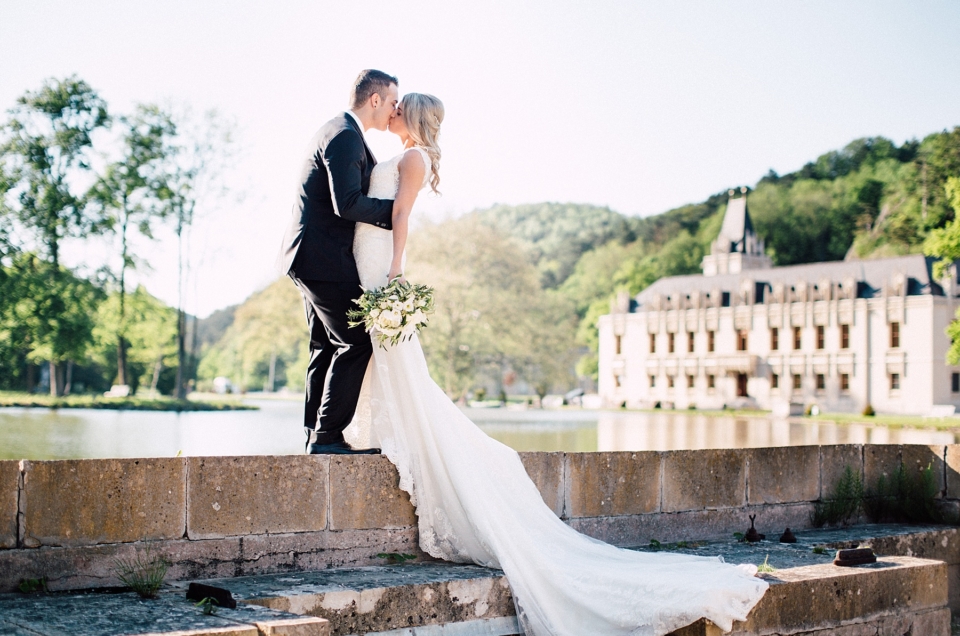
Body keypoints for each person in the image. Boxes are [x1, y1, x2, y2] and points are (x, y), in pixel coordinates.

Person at [347, 92, 768, 636]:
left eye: (402, 103)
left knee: (401, 370)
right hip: (371, 261)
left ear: (412, 114)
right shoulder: (410, 155)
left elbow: (400, 215)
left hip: (383, 265)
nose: (394, 107)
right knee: (393, 367)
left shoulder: (410, 158)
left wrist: (397, 271)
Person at [277, 69, 398, 455]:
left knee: (325, 345)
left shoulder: (340, 131)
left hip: (309, 254)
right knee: (357, 338)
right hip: (321, 255)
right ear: (374, 100)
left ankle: (315, 434)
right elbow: (346, 204)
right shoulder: (344, 136)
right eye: (393, 102)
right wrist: (398, 212)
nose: (395, 109)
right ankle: (327, 436)